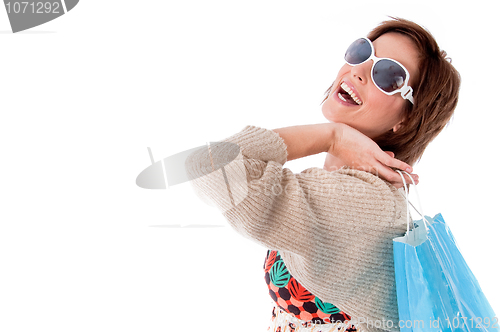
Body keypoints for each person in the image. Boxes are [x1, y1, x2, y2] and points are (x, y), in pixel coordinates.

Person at [184, 17, 460, 332]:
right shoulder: (344, 185)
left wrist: (333, 137)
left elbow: (208, 166)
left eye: (388, 75)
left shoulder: (362, 201)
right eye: (362, 52)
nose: (358, 70)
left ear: (407, 120)